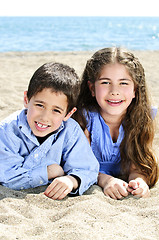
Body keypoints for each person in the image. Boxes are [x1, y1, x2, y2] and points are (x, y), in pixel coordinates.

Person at [0, 62, 99, 200]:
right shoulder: (7, 131)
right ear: (26, 99)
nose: (45, 117)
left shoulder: (71, 131)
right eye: (40, 105)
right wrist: (48, 172)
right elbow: (7, 176)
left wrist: (71, 180)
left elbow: (88, 169)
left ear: (68, 114)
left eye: (56, 110)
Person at [73, 47, 158, 200]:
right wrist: (105, 180)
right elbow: (77, 166)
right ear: (92, 88)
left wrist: (138, 181)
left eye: (123, 83)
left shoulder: (140, 118)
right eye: (105, 82)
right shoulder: (84, 119)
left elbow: (138, 164)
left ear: (135, 90)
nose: (114, 91)